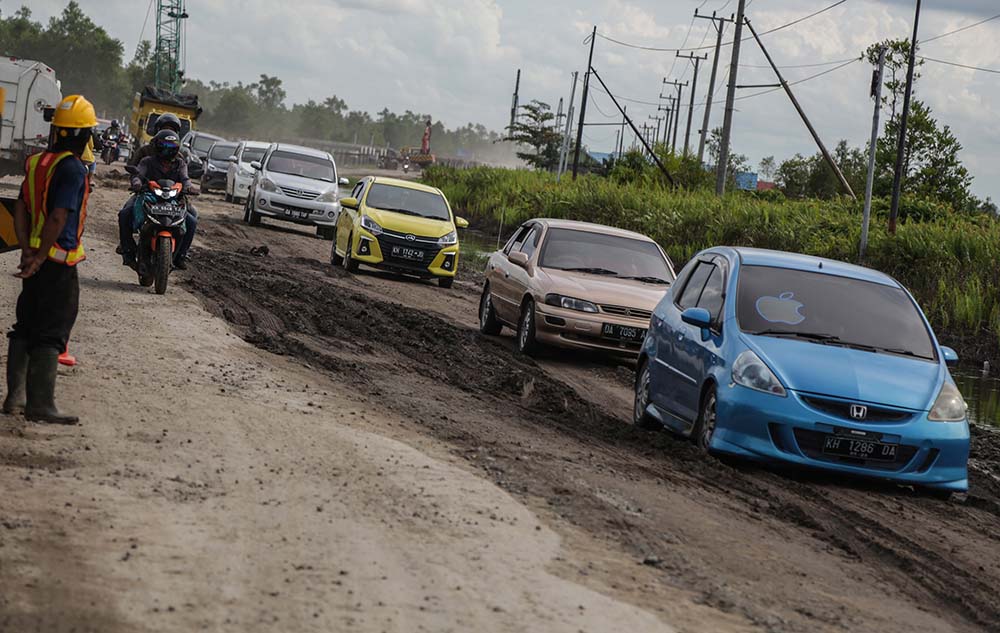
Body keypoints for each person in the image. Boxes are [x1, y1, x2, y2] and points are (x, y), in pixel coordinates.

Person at [2, 94, 96, 425]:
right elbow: (58, 217)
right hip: (57, 264)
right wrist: (42, 257)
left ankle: (15, 398)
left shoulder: (36, 162)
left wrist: (28, 250)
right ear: (83, 134)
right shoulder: (72, 169)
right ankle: (40, 404)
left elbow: (22, 209)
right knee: (53, 330)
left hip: (36, 261)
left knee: (25, 324)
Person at [118, 113, 197, 269]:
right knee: (125, 213)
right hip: (147, 194)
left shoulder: (180, 160)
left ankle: (181, 255)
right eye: (165, 130)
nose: (168, 148)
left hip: (173, 196)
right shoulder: (146, 155)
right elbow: (137, 173)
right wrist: (137, 183)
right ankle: (127, 250)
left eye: (172, 131)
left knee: (192, 219)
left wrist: (189, 187)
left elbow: (185, 178)